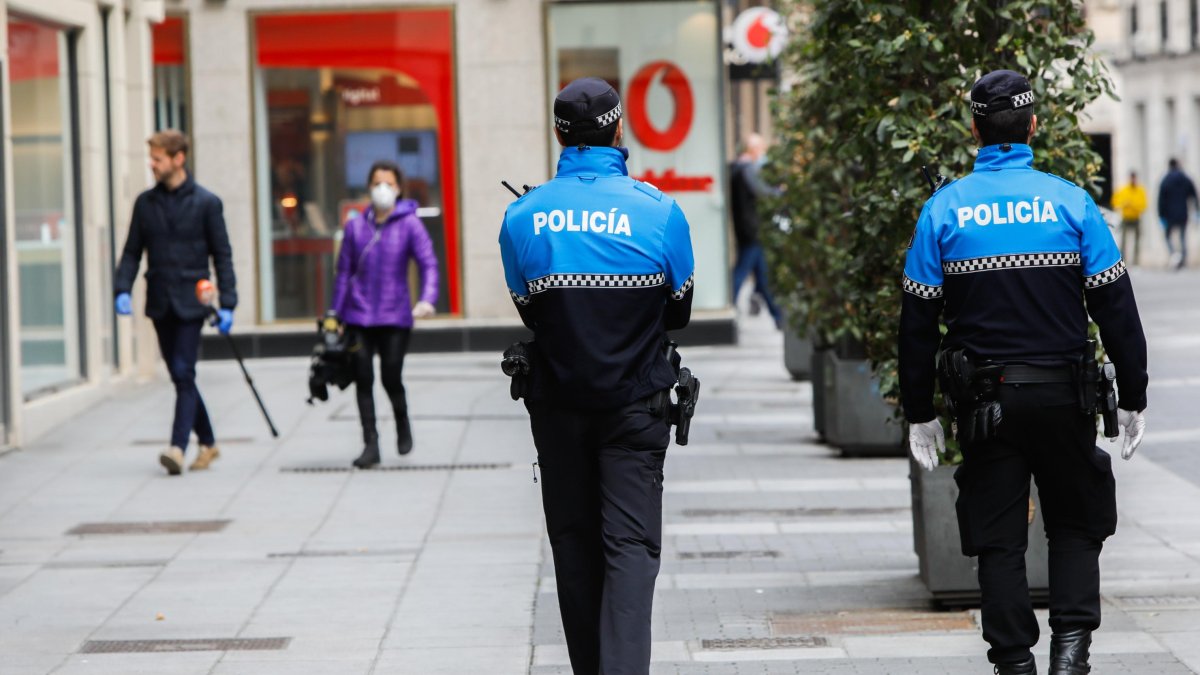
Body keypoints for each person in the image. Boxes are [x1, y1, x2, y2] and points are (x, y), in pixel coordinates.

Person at [899, 70, 1148, 675]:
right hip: (1065, 396)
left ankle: (1013, 661)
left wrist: (920, 411)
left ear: (974, 129)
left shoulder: (944, 210)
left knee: (999, 536)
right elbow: (1115, 305)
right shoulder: (1072, 202)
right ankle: (1071, 652)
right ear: (1033, 126)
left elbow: (916, 321)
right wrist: (1133, 395)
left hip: (987, 405)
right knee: (1074, 524)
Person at [498, 77, 694, 675]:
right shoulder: (660, 213)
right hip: (637, 406)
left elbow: (529, 308)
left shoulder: (521, 217)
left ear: (559, 134)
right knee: (630, 551)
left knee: (574, 548)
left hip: (558, 408)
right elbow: (678, 312)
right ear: (619, 131)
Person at [114, 130, 237, 476]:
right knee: (180, 376)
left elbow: (223, 256)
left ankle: (177, 448)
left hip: (192, 301)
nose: (152, 165)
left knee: (184, 372)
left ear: (178, 158)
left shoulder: (206, 203)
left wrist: (228, 302)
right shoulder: (145, 204)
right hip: (160, 302)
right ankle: (209, 442)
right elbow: (131, 253)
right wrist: (121, 288)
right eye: (151, 159)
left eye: (157, 159)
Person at [332, 160, 438, 469]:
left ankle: (402, 422)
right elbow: (343, 273)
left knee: (391, 376)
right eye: (377, 182)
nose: (382, 188)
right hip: (358, 314)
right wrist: (335, 315)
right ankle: (370, 444)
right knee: (363, 378)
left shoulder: (410, 224)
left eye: (389, 183)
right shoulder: (355, 226)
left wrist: (427, 299)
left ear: (399, 188)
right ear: (368, 186)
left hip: (394, 315)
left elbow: (428, 263)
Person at [729, 132, 784, 328]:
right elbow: (762, 192)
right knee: (742, 272)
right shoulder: (747, 169)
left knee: (762, 275)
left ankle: (778, 316)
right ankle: (730, 306)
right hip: (752, 230)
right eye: (761, 149)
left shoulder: (735, 168)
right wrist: (782, 192)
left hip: (746, 228)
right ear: (753, 149)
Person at [1157, 158, 1197, 269]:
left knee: (1167, 236)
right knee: (1182, 237)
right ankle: (1183, 260)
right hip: (1183, 213)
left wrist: (1161, 215)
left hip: (1169, 215)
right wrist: (1196, 210)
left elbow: (1161, 200)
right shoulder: (1185, 178)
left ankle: (1174, 254)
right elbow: (1193, 194)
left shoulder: (1166, 180)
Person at [1110, 171, 1147, 265]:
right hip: (1126, 217)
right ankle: (1123, 260)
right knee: (1123, 240)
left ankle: (1136, 261)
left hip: (1136, 218)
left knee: (1137, 240)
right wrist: (1124, 204)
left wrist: (1133, 205)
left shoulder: (1140, 190)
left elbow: (1143, 205)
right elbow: (1115, 202)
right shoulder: (1124, 190)